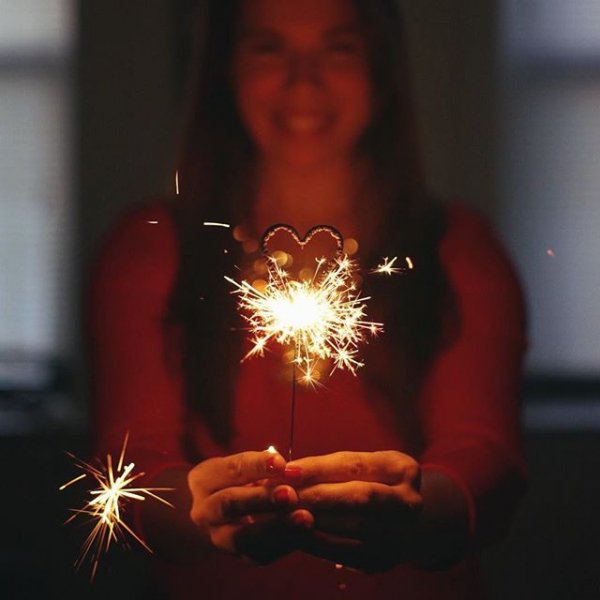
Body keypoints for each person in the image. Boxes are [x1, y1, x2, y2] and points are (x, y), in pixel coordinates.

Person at [89, 0, 528, 597]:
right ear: (225, 67)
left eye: (338, 47)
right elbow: (129, 465)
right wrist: (197, 512)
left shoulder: (461, 251)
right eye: (269, 47)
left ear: (380, 65)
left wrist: (414, 512)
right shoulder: (145, 253)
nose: (304, 81)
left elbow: (488, 457)